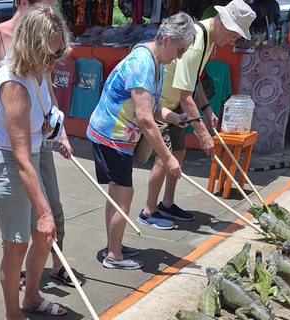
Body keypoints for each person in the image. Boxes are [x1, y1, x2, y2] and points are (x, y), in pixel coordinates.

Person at [0, 0, 79, 289]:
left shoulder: (40, 64)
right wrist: (44, 214)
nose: (52, 64)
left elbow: (47, 99)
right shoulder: (13, 80)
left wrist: (58, 130)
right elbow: (20, 158)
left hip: (34, 147)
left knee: (46, 226)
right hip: (9, 157)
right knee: (19, 242)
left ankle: (36, 289)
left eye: (58, 56)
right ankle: (13, 307)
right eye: (48, 57)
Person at [86, 12, 197, 270]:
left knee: (118, 194)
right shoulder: (144, 62)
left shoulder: (155, 60)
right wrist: (168, 158)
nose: (179, 57)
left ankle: (114, 245)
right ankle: (114, 255)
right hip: (111, 135)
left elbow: (152, 106)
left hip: (118, 135)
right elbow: (145, 118)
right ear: (167, 39)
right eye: (180, 50)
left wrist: (173, 117)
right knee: (123, 193)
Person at [142, 0, 256, 227]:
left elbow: (194, 81)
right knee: (164, 158)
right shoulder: (195, 41)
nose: (231, 42)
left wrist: (207, 108)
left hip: (174, 102)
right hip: (161, 104)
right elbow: (186, 97)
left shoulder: (209, 41)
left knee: (180, 151)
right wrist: (204, 134)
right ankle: (148, 211)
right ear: (223, 23)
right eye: (233, 36)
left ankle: (167, 203)